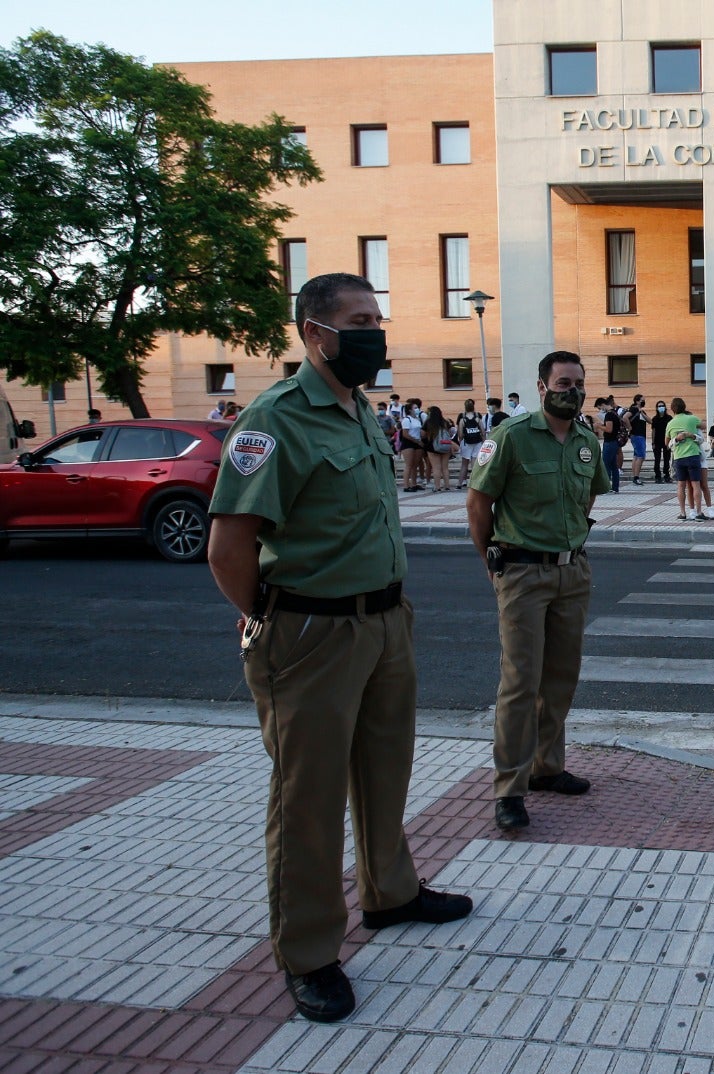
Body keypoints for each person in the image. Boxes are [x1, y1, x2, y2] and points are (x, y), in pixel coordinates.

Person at [206, 272, 471, 1024]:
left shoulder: (359, 409)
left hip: (385, 622)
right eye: (358, 320)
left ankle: (391, 893)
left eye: (377, 318)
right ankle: (310, 952)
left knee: (385, 770)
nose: (374, 333)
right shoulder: (276, 419)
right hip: (311, 632)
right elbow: (228, 548)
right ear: (313, 333)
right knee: (308, 799)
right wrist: (267, 615)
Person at [466, 351, 607, 832]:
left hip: (572, 573)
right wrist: (494, 563)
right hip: (522, 572)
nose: (573, 390)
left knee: (562, 678)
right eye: (564, 382)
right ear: (542, 387)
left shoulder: (587, 441)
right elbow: (478, 503)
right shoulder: (511, 437)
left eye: (579, 383)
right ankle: (509, 788)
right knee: (520, 683)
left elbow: (590, 494)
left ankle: (547, 767)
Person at [666, 398, 710, 520]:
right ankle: (699, 512)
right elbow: (704, 425)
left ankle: (683, 513)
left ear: (672, 409)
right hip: (692, 455)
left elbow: (667, 442)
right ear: (684, 407)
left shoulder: (670, 423)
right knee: (695, 485)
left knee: (681, 485)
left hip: (679, 457)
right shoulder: (691, 419)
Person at [421, 405, 453, 492]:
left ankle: (437, 486)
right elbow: (450, 433)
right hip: (445, 445)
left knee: (436, 467)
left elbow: (422, 434)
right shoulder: (445, 422)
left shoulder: (428, 422)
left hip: (432, 447)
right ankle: (447, 486)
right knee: (445, 467)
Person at [455, 399, 485, 487]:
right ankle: (475, 483)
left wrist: (461, 442)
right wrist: (484, 441)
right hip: (477, 442)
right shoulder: (477, 418)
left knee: (464, 464)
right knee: (475, 464)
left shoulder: (462, 419)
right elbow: (483, 432)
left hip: (466, 443)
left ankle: (459, 483)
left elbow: (460, 434)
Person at [397, 399, 424, 491]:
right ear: (410, 410)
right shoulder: (406, 420)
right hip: (409, 443)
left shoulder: (417, 419)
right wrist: (416, 441)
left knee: (415, 465)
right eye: (415, 408)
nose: (417, 409)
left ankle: (414, 484)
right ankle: (406, 485)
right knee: (409, 465)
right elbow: (405, 434)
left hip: (418, 443)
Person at [597, 396, 622, 494]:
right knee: (614, 466)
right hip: (615, 441)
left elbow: (609, 429)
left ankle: (606, 487)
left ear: (602, 405)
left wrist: (598, 426)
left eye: (599, 408)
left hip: (610, 442)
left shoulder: (609, 415)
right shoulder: (615, 413)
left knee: (606, 465)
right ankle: (615, 487)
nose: (600, 410)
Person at [627, 393, 649, 485]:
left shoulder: (640, 411)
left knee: (636, 456)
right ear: (637, 401)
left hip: (639, 436)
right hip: (637, 435)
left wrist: (641, 413)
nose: (643, 401)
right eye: (642, 400)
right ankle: (636, 477)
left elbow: (650, 421)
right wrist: (630, 428)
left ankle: (635, 476)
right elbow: (625, 417)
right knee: (641, 456)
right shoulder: (633, 409)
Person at [651, 399, 673, 483]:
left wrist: (671, 441)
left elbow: (671, 430)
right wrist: (653, 442)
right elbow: (653, 431)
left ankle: (667, 475)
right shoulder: (655, 419)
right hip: (657, 441)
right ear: (657, 408)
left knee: (667, 459)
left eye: (662, 406)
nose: (661, 407)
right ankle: (658, 476)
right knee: (657, 459)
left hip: (666, 441)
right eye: (659, 406)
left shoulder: (669, 418)